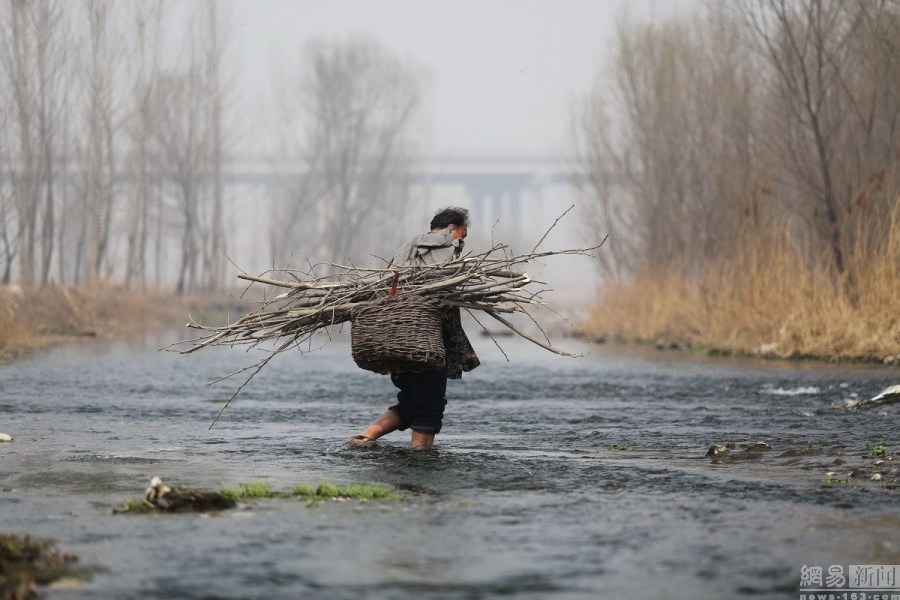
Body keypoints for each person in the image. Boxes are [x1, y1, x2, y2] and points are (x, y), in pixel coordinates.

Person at [350, 207, 480, 450]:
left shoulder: (407, 247)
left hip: (397, 340)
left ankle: (362, 439)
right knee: (430, 405)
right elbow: (437, 292)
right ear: (451, 229)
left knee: (411, 401)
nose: (462, 241)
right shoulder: (445, 247)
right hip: (425, 342)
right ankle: (420, 461)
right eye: (462, 235)